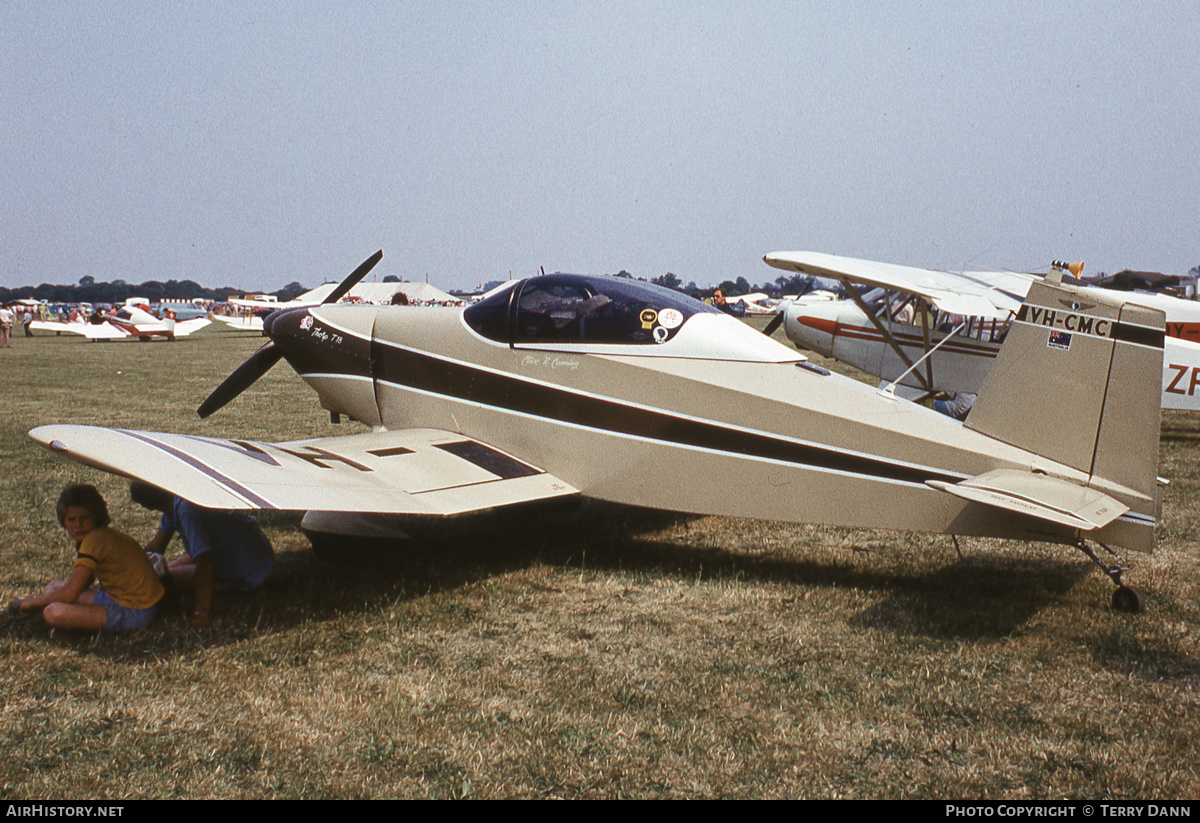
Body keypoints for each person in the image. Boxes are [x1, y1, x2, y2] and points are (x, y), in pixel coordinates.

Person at [11, 484, 164, 632]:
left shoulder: (94, 540)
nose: (78, 525)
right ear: (63, 520)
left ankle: (73, 627)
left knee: (53, 612)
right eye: (71, 519)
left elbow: (70, 593)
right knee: (53, 588)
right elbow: (85, 582)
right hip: (122, 599)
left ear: (97, 516)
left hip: (136, 612)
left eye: (85, 518)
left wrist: (31, 602)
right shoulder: (98, 535)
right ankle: (74, 620)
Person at [130, 483, 274, 627]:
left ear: (147, 506)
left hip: (251, 570)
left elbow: (205, 562)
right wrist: (129, 570)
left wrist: (201, 612)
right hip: (254, 552)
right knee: (166, 569)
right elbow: (156, 547)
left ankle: (226, 585)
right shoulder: (177, 501)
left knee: (165, 578)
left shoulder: (186, 511)